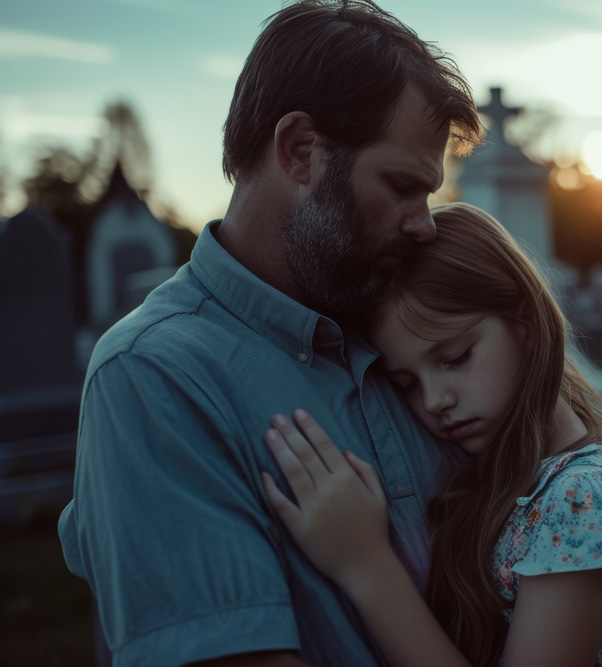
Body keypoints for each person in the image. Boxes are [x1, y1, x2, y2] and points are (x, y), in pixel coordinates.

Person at [58, 2, 481, 665]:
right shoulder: (153, 376)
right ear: (300, 151)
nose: (425, 225)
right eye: (402, 185)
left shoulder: (407, 336)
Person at [259, 203, 602, 667]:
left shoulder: (577, 498)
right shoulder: (508, 481)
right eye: (407, 384)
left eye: (455, 357)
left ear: (526, 324)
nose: (434, 400)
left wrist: (366, 565)